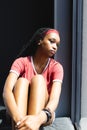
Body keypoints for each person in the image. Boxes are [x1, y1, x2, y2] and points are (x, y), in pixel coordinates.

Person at [3, 27, 64, 130]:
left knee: (39, 80)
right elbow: (7, 91)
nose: (55, 47)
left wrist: (38, 119)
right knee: (21, 82)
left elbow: (54, 99)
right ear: (40, 41)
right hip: (17, 111)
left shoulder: (56, 67)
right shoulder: (21, 62)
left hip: (44, 113)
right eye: (52, 41)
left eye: (57, 45)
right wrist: (19, 121)